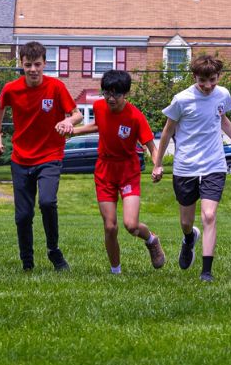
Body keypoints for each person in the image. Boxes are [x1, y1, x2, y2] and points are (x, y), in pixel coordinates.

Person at [152, 54, 231, 282]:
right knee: (186, 222)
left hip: (214, 164)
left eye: (212, 80)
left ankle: (206, 271)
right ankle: (188, 238)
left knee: (209, 215)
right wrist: (158, 164)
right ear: (194, 77)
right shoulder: (182, 100)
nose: (208, 86)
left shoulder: (223, 94)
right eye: (202, 81)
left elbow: (223, 119)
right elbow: (167, 131)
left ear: (218, 76)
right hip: (186, 166)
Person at [0, 42, 82, 272]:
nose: (33, 69)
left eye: (37, 64)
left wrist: (67, 121)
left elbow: (77, 114)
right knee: (23, 215)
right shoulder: (12, 89)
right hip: (21, 159)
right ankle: (27, 261)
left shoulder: (56, 87)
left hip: (50, 156)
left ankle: (53, 250)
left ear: (45, 64)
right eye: (28, 65)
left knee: (47, 202)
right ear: (21, 64)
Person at [71, 69, 166, 274]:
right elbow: (99, 124)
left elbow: (152, 147)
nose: (111, 99)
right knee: (110, 226)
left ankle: (151, 239)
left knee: (131, 225)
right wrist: (74, 131)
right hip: (104, 171)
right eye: (107, 93)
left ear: (126, 94)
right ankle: (116, 271)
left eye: (116, 94)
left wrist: (157, 165)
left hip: (128, 172)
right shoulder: (99, 106)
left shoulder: (135, 117)